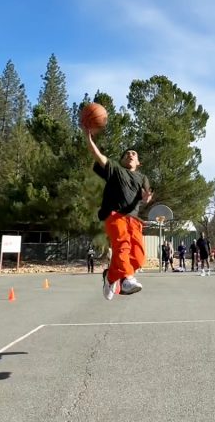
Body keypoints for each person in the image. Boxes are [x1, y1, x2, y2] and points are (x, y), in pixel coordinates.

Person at [83, 126, 153, 300]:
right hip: (115, 215)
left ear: (139, 162)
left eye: (134, 154)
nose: (130, 154)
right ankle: (127, 279)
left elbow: (146, 196)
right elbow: (96, 155)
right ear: (121, 160)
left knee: (138, 257)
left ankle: (111, 277)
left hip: (134, 219)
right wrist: (89, 138)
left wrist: (146, 198)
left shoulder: (142, 177)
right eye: (127, 153)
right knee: (122, 245)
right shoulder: (115, 170)